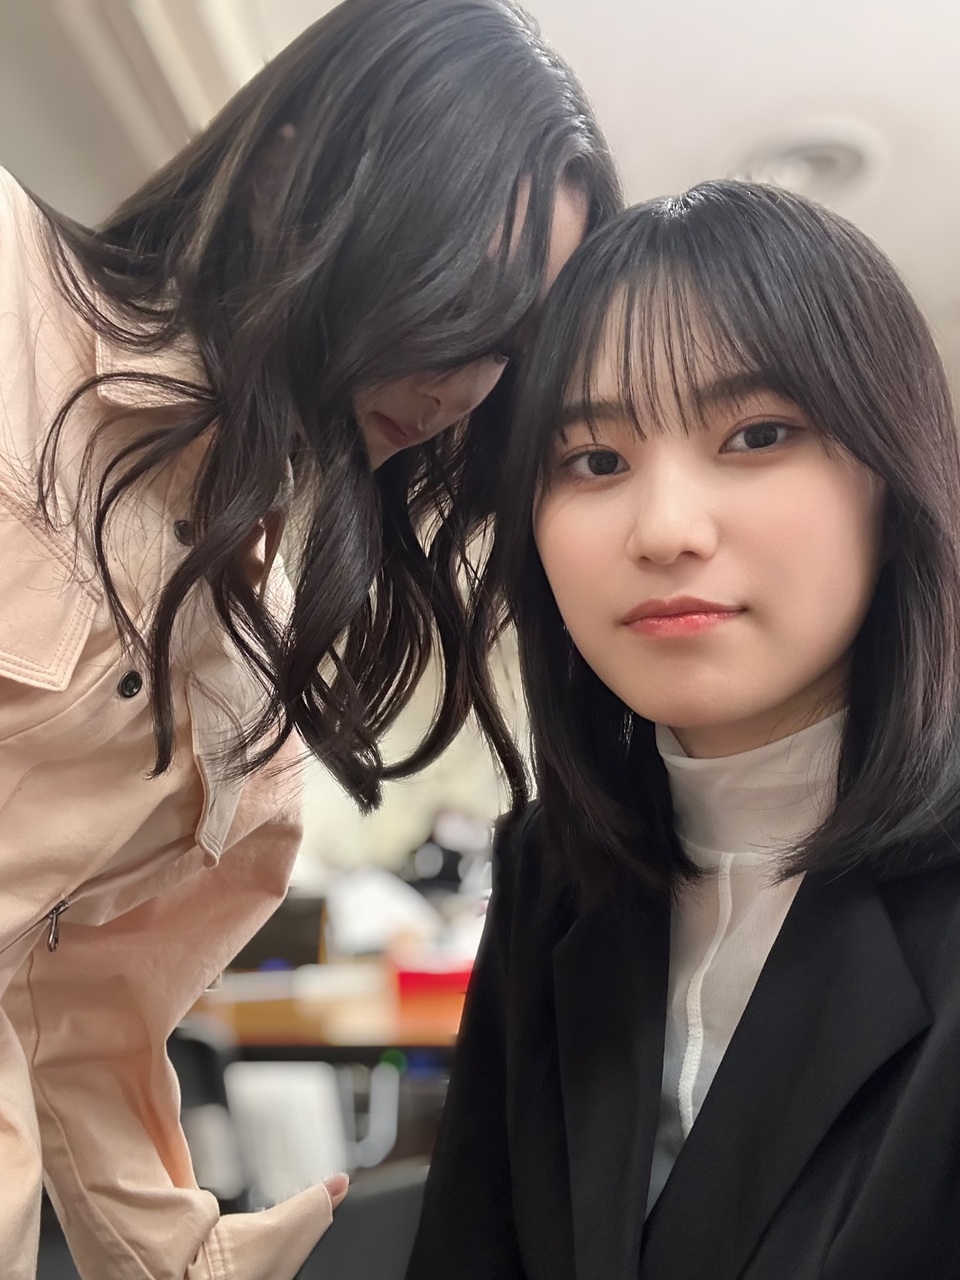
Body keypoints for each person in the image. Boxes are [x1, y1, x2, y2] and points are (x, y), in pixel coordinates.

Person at [0, 0, 621, 1275]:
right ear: (287, 179)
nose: (467, 384)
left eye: (512, 346)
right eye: (461, 294)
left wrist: (184, 1258)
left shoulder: (252, 697)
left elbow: (84, 1019)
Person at [407, 181, 960, 1279]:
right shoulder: (550, 872)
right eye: (594, 461)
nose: (663, 529)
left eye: (757, 434)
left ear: (895, 488)